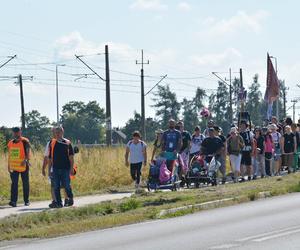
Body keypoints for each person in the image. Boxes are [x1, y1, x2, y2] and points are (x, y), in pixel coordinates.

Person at [48, 126, 74, 208]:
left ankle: (70, 198)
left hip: (65, 168)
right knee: (56, 186)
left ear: (62, 132)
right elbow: (50, 158)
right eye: (56, 132)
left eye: (59, 132)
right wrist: (49, 170)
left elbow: (71, 158)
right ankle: (59, 203)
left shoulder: (67, 143)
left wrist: (71, 168)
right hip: (55, 168)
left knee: (66, 185)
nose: (57, 134)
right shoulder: (51, 143)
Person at [7, 127, 31, 207]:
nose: (16, 133)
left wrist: (25, 160)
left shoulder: (25, 141)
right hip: (14, 167)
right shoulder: (10, 143)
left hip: (24, 166)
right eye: (14, 132)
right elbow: (10, 155)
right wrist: (8, 166)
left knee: (25, 184)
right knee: (14, 184)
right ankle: (13, 201)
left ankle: (26, 201)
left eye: (17, 132)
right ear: (13, 133)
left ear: (20, 132)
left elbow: (28, 152)